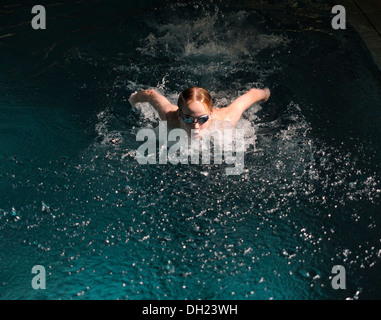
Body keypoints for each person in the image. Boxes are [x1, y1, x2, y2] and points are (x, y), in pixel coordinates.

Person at [129, 86, 270, 138]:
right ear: (180, 115)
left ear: (211, 114)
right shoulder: (170, 117)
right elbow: (150, 94)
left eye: (203, 119)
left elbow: (248, 98)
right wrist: (133, 99)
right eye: (188, 119)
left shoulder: (225, 120)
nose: (196, 126)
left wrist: (265, 93)